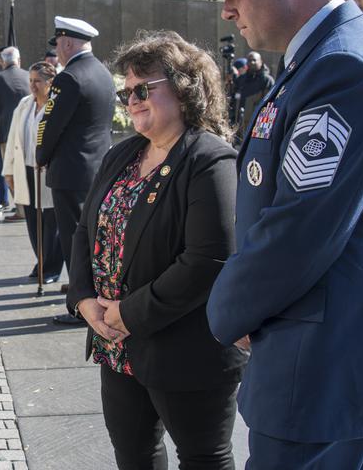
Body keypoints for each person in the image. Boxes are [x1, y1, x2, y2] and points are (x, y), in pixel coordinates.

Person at [190, 0, 363, 467]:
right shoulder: (324, 60)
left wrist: (229, 310)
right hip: (324, 352)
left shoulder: (344, 71)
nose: (227, 11)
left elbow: (298, 229)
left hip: (323, 365)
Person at [67, 30, 247, 469]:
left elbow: (207, 260)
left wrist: (129, 313)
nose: (131, 99)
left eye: (143, 88)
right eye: (126, 90)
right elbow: (85, 230)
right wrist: (83, 300)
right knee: (134, 455)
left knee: (203, 458)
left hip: (184, 349)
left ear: (185, 88)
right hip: (115, 345)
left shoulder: (210, 160)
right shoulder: (123, 153)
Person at [36, 16, 115, 325]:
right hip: (97, 169)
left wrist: (41, 155)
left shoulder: (69, 78)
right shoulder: (102, 73)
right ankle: (93, 299)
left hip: (69, 173)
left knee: (74, 242)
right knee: (92, 239)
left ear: (67, 43)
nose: (58, 50)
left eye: (58, 44)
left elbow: (50, 126)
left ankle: (80, 307)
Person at [3, 61, 63, 284]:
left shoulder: (56, 106)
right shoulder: (24, 105)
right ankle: (41, 260)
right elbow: (12, 139)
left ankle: (51, 268)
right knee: (32, 221)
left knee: (50, 223)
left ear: (50, 83)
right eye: (31, 81)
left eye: (38, 81)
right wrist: (8, 171)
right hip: (25, 170)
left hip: (47, 173)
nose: (33, 86)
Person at [0, 46, 29, 214]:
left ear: (2, 62)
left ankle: (21, 210)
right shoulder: (28, 76)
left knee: (10, 171)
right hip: (27, 131)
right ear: (19, 60)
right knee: (26, 170)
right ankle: (29, 209)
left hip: (5, 133)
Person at [233, 51, 273, 142]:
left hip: (258, 127)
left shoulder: (267, 80)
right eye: (249, 60)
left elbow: (270, 107)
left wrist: (263, 132)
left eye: (254, 60)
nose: (252, 63)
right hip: (241, 127)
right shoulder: (242, 79)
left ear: (261, 62)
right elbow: (234, 100)